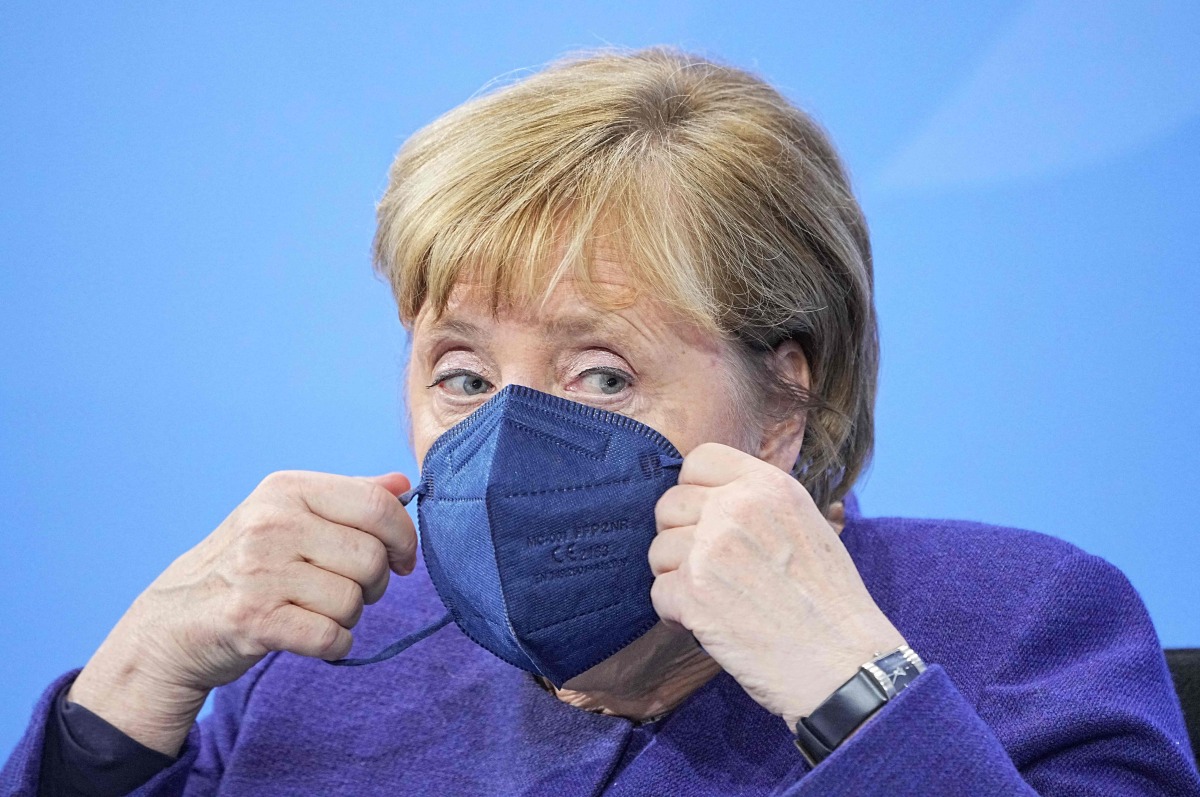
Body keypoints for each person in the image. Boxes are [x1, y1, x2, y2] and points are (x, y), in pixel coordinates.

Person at [4, 46, 1199, 797]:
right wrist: (126, 696)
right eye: (463, 376)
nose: (513, 434)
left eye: (602, 376)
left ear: (787, 398)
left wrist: (854, 693)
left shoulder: (1026, 619)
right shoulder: (318, 677)